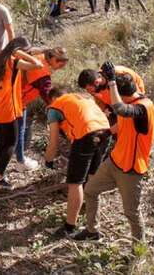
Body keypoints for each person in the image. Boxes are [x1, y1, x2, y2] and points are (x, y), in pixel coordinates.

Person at [77, 65, 154, 245]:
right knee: (90, 191)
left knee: (131, 213)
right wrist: (106, 134)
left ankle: (138, 250)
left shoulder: (143, 108)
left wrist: (111, 82)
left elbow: (121, 110)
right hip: (114, 162)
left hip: (131, 169)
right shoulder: (128, 105)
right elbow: (122, 123)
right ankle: (91, 231)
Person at [44, 87, 111, 237]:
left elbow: (53, 142)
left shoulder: (54, 108)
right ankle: (90, 218)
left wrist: (48, 160)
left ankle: (69, 227)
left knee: (75, 183)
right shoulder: (83, 97)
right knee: (92, 176)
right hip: (106, 132)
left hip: (86, 135)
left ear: (52, 99)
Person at [0, 37, 43, 189]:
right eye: (25, 52)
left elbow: (33, 54)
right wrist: (20, 53)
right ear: (17, 51)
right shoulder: (14, 61)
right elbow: (37, 65)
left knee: (2, 142)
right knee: (10, 143)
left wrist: (34, 50)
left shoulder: (1, 57)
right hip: (7, 109)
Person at [78, 64, 146, 109]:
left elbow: (133, 92)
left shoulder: (118, 74)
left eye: (88, 89)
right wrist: (105, 111)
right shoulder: (94, 88)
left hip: (134, 96)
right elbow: (100, 102)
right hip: (117, 105)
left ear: (96, 82)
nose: (89, 92)